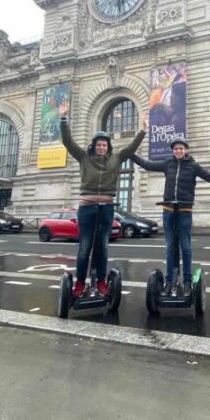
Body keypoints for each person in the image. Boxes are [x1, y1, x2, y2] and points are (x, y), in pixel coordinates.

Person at [60, 105, 146, 298]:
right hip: (87, 208)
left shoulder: (116, 158)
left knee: (103, 246)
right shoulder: (84, 157)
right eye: (98, 144)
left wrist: (142, 130)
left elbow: (132, 147)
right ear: (94, 145)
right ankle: (80, 283)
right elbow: (67, 142)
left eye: (104, 144)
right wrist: (64, 119)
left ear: (108, 146)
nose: (101, 147)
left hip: (106, 208)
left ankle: (101, 282)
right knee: (85, 247)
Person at [131, 138, 210, 296]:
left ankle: (187, 282)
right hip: (168, 209)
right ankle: (170, 281)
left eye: (181, 148)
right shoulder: (167, 163)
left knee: (186, 246)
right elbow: (147, 165)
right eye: (176, 148)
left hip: (184, 210)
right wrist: (131, 155)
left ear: (186, 150)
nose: (178, 151)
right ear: (173, 150)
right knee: (170, 246)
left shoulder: (193, 165)